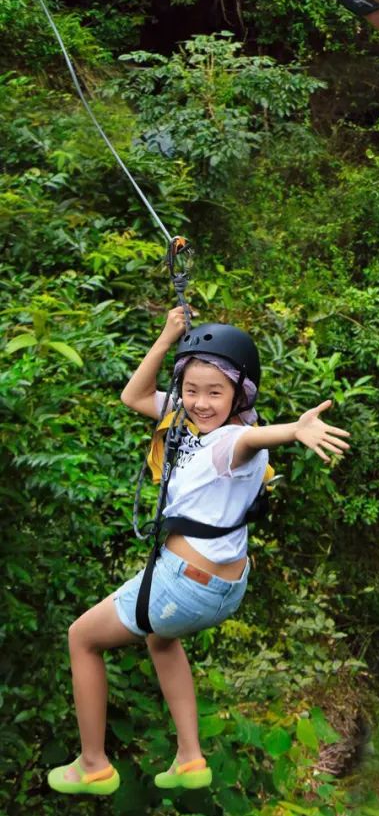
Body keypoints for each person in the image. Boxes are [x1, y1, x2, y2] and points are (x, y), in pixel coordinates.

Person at [48, 307, 349, 799]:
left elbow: (254, 436)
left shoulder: (232, 440)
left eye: (215, 392)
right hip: (221, 586)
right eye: (191, 390)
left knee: (81, 637)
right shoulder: (190, 421)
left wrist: (296, 429)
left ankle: (93, 764)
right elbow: (134, 396)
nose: (201, 402)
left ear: (240, 393)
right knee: (161, 641)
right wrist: (169, 337)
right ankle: (190, 758)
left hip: (184, 585)